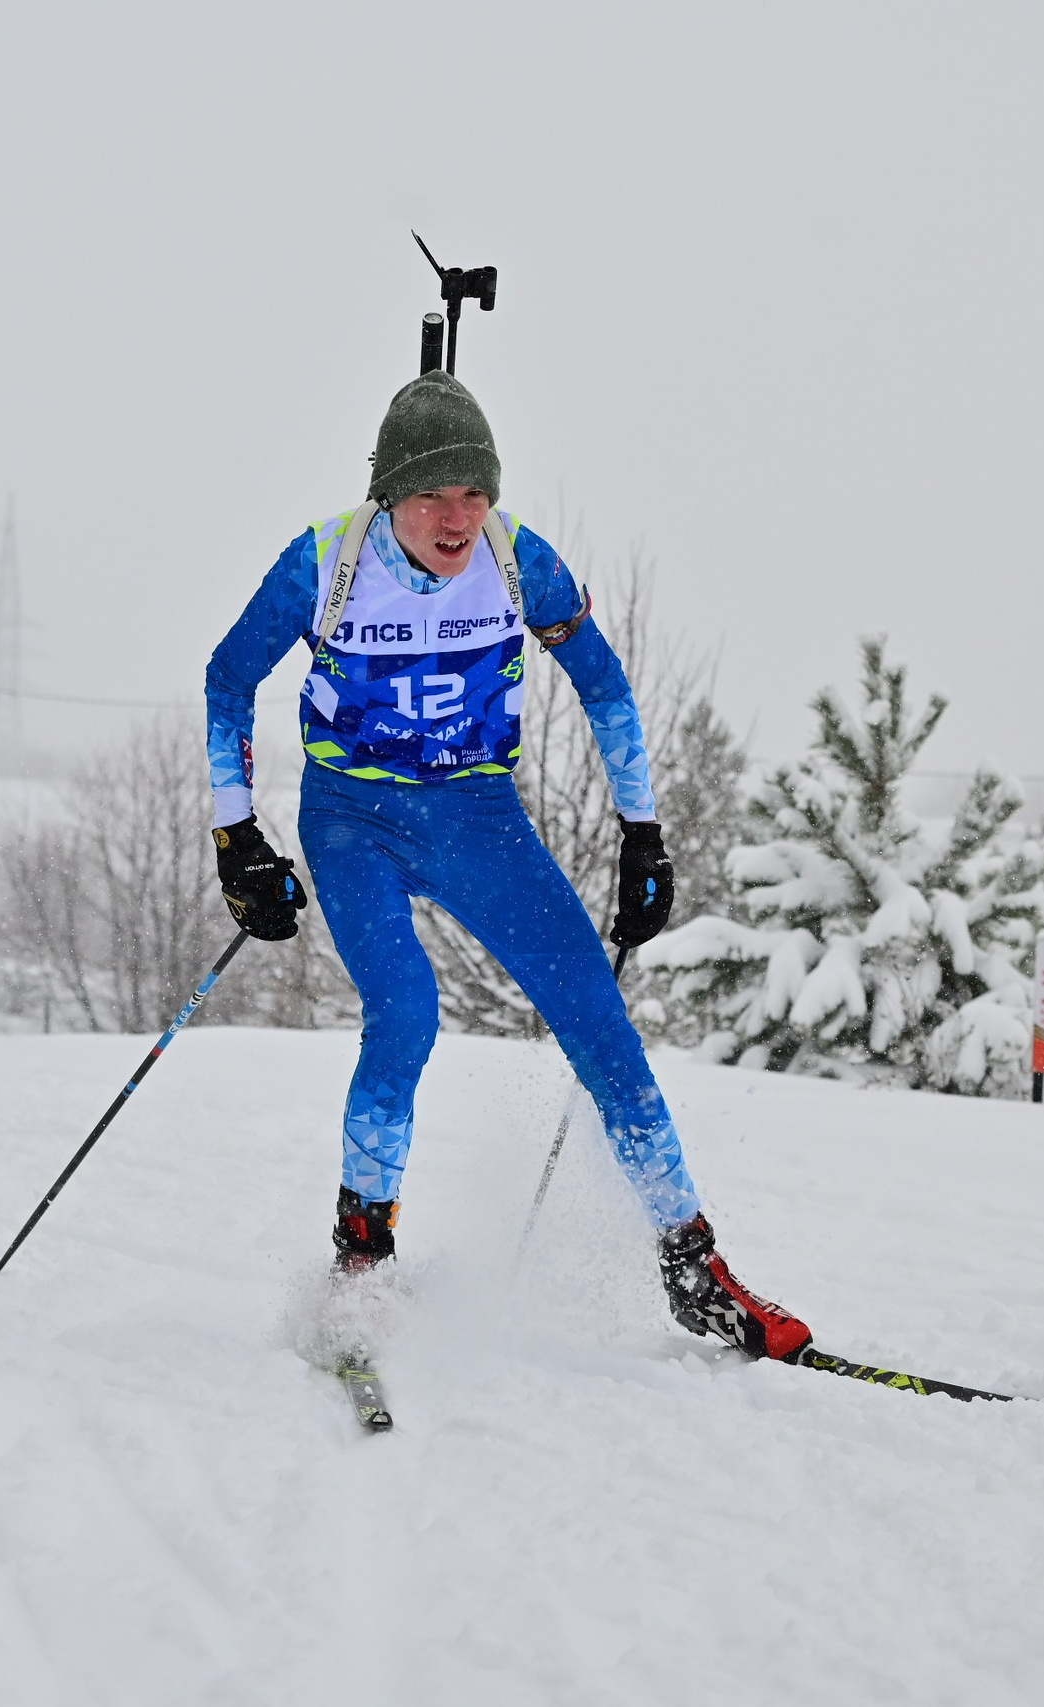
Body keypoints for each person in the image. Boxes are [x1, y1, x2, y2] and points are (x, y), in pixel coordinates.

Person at [202, 370, 809, 1361]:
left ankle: (692, 1264)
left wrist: (642, 830)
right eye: (434, 495)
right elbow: (229, 679)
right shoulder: (324, 563)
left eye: (475, 492)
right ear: (389, 493)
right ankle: (362, 1263)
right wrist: (239, 837)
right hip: (355, 819)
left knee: (600, 1023)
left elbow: (605, 686)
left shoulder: (518, 560)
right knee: (407, 1010)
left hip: (477, 816)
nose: (458, 518)